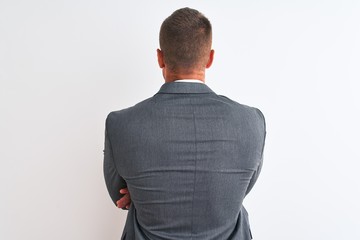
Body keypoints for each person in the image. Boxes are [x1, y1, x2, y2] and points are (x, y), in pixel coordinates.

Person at [103, 7, 266, 240]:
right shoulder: (252, 122)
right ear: (210, 58)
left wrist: (141, 191)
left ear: (160, 58)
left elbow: (119, 196)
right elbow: (239, 189)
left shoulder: (120, 124)